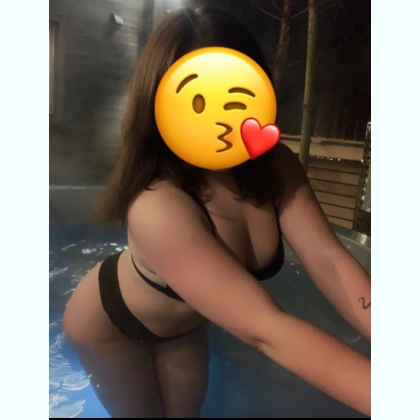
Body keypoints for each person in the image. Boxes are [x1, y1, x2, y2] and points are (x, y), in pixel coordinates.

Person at [62, 6, 371, 418]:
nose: (220, 119)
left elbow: (330, 260)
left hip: (185, 326)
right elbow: (268, 329)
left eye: (236, 95)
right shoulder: (157, 204)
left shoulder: (275, 166)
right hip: (111, 325)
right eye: (197, 101)